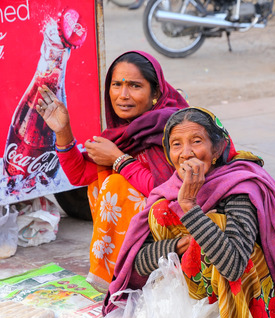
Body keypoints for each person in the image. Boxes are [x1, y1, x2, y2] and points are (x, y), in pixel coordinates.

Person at [103, 107, 275, 318]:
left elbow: (234, 265)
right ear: (168, 152)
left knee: (215, 222)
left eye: (197, 141)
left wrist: (190, 208)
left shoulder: (239, 186)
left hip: (244, 296)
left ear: (217, 149)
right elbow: (138, 262)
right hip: (192, 297)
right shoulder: (168, 191)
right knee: (161, 212)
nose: (186, 153)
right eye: (176, 144)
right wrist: (176, 246)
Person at [36, 51, 189, 290]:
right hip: (148, 230)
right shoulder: (124, 133)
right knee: (101, 181)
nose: (123, 95)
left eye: (135, 86)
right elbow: (80, 176)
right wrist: (63, 131)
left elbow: (169, 190)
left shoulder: (173, 128)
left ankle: (124, 276)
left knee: (115, 185)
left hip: (183, 228)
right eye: (116, 85)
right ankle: (121, 273)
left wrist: (119, 159)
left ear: (156, 93)